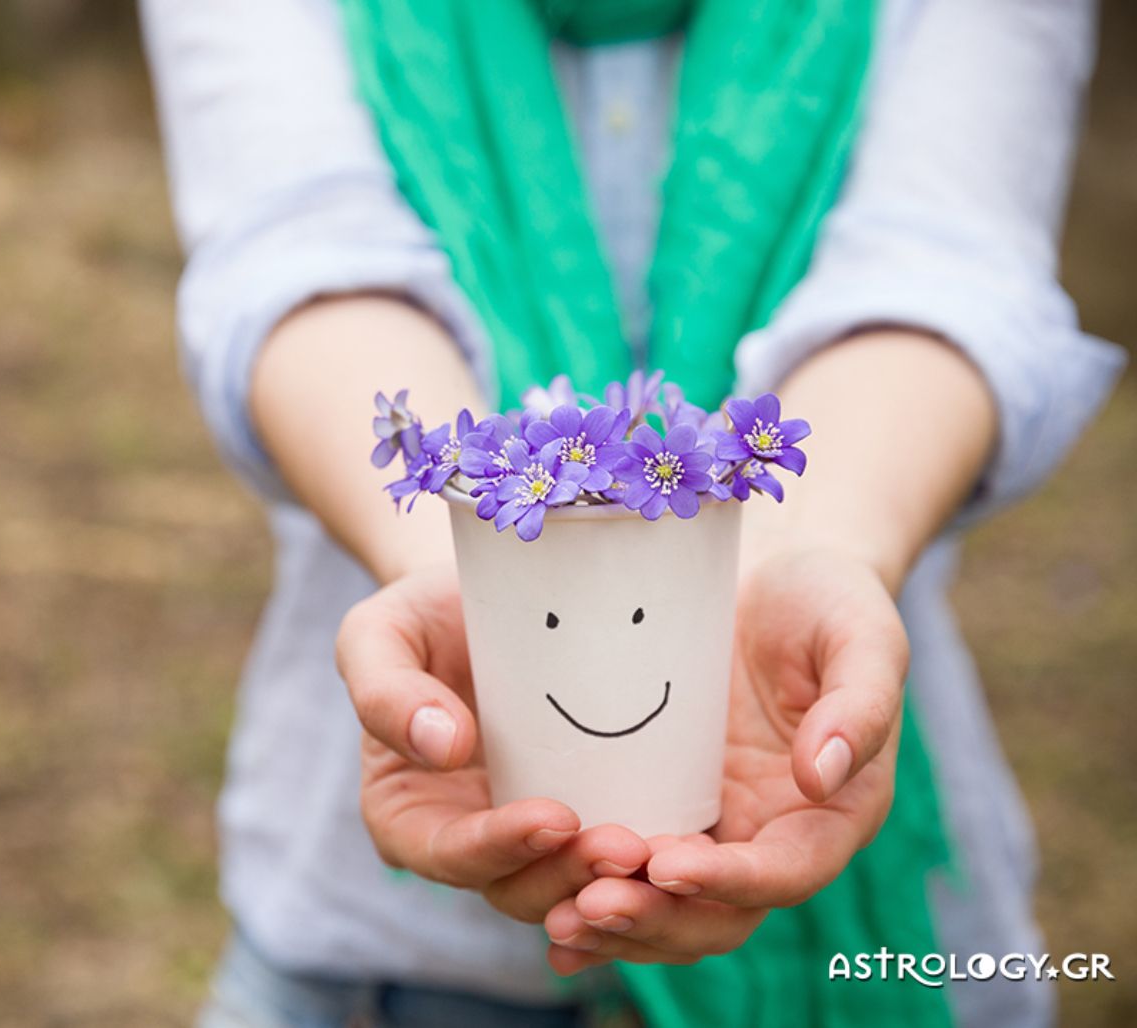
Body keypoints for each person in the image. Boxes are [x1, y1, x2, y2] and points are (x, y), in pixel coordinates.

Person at [140, 0, 1124, 1025]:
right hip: (382, 958)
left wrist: (815, 547)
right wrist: (459, 563)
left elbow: (945, 271)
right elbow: (300, 256)